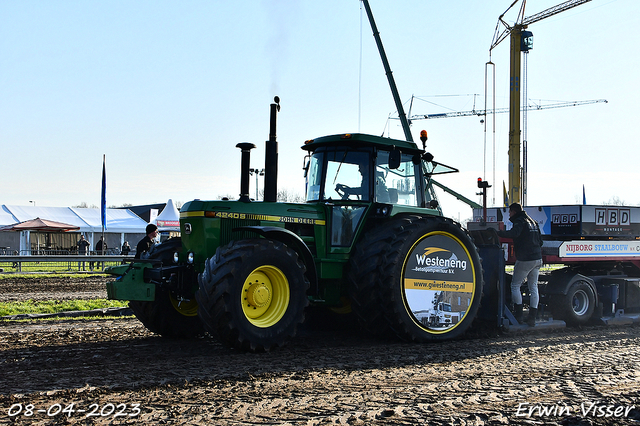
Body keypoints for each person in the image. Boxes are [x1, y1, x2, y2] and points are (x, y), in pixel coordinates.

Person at [497, 202, 543, 326]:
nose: (509, 214)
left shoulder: (520, 221)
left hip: (525, 259)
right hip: (537, 258)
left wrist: (497, 233)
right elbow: (541, 241)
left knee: (515, 285)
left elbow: (514, 234)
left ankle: (519, 316)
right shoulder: (533, 222)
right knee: (533, 287)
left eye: (510, 212)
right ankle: (532, 318)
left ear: (514, 211)